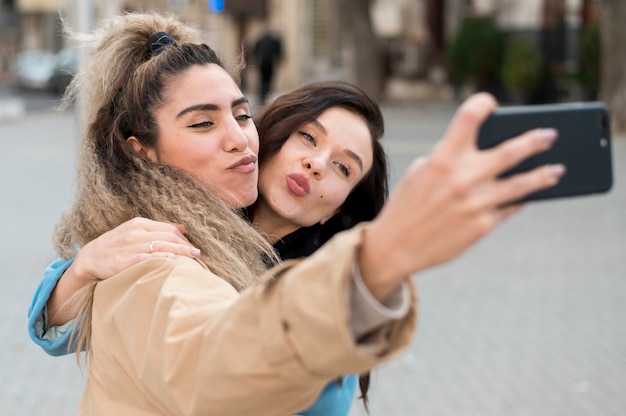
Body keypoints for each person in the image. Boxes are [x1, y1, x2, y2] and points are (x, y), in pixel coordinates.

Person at [31, 12, 564, 415]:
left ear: (346, 201)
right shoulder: (165, 245)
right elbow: (213, 359)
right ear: (281, 136)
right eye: (307, 138)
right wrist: (375, 262)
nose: (238, 139)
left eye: (343, 168)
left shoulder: (310, 261)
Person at [29, 80, 389, 415]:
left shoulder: (328, 297)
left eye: (343, 167)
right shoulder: (184, 216)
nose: (316, 164)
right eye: (308, 138)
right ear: (271, 135)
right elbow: (55, 334)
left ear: (339, 208)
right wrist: (84, 267)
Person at [253, 26, 282, 104]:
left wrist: (255, 62)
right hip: (270, 62)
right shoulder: (273, 40)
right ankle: (265, 93)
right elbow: (278, 51)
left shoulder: (260, 40)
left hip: (263, 62)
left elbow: (255, 51)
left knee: (263, 79)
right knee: (269, 79)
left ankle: (263, 95)